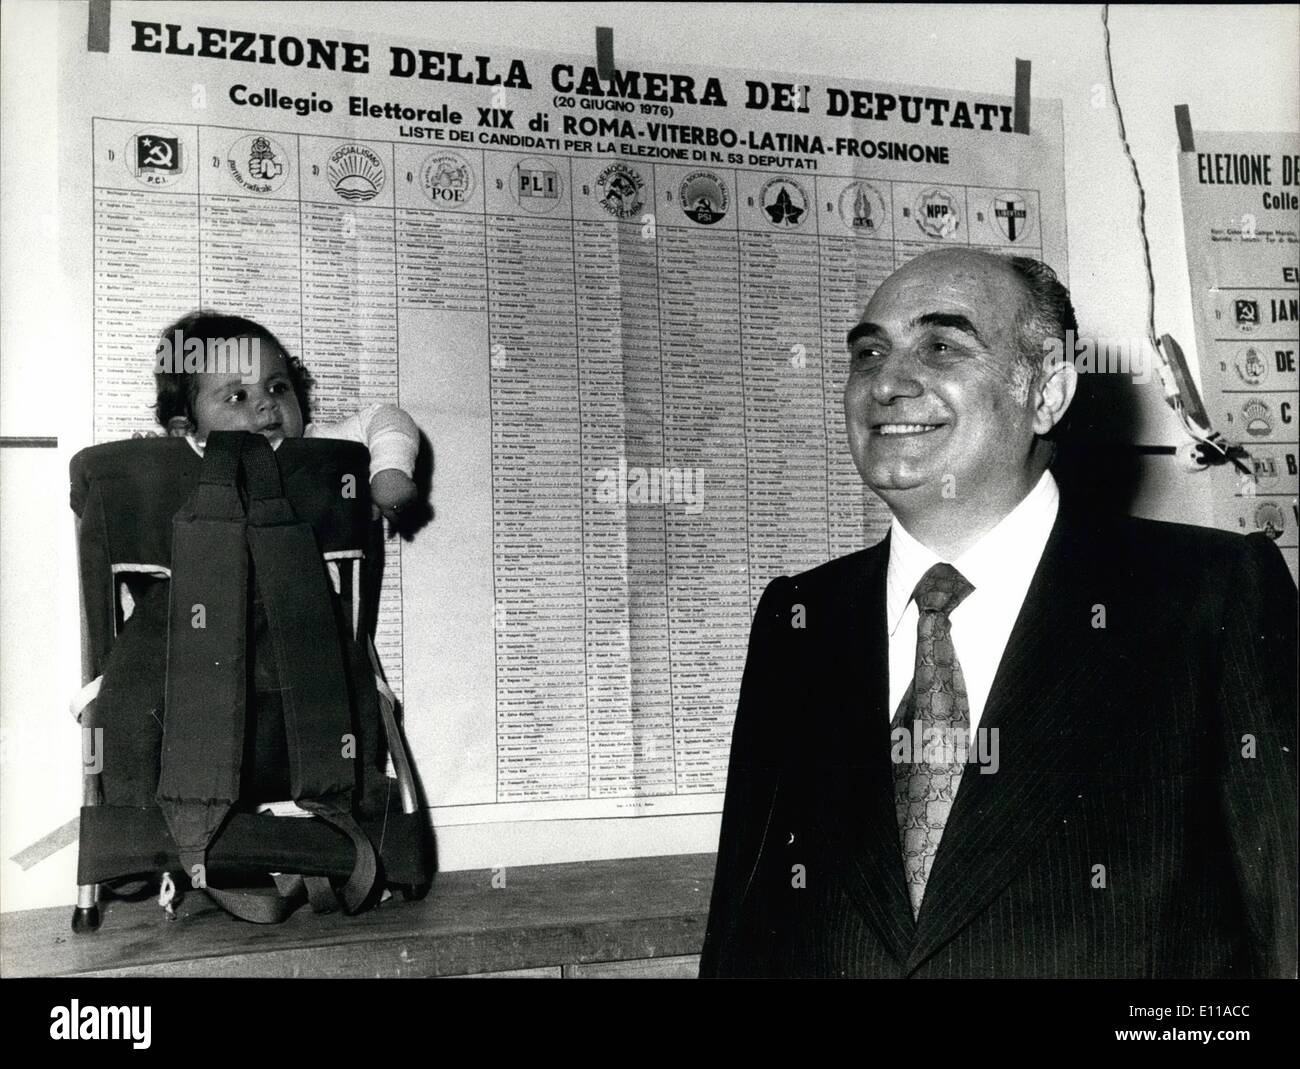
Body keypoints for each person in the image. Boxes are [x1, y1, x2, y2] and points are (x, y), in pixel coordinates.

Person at [699, 248, 1297, 978]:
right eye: (868, 353)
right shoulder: (800, 621)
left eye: (942, 345)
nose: (886, 382)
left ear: (1047, 389)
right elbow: (738, 938)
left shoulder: (1213, 596)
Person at [153, 311, 419, 522]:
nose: (267, 403)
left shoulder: (315, 445)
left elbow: (384, 416)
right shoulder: (189, 473)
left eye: (277, 388)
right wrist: (148, 465)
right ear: (186, 433)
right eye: (238, 396)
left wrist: (390, 471)